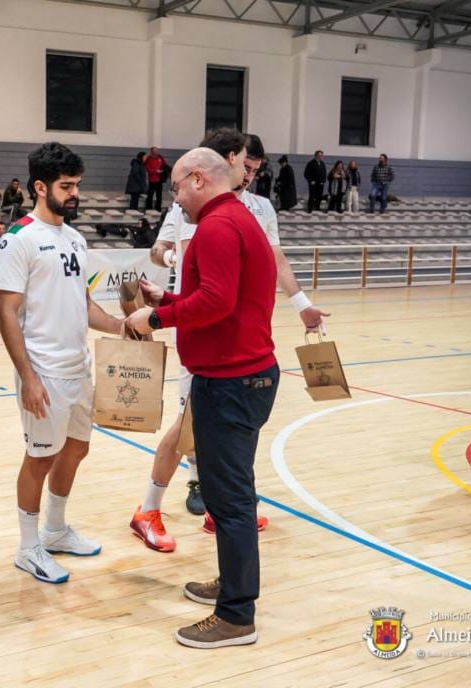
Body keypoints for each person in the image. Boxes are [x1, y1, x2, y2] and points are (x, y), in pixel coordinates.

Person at [138, 130, 327, 550]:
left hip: (228, 338)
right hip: (200, 329)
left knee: (215, 435)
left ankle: (219, 504)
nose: (250, 175)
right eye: (246, 165)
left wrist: (301, 303)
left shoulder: (255, 210)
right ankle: (170, 500)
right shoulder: (189, 204)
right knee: (190, 426)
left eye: (257, 170)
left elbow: (271, 263)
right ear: (225, 163)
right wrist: (175, 263)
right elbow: (160, 252)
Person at [125, 147, 278, 650]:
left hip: (232, 381)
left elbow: (217, 302)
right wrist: (167, 300)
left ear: (196, 179)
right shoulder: (234, 218)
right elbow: (220, 297)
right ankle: (233, 586)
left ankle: (236, 616)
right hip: (240, 377)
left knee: (230, 500)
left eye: (175, 188)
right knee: (229, 493)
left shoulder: (216, 226)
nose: (175, 198)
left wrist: (154, 318)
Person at [0, 142, 124, 586]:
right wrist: (28, 377)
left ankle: (54, 530)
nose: (74, 194)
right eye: (66, 187)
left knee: (76, 449)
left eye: (77, 186)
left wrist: (124, 328)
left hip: (78, 367)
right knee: (39, 458)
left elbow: (83, 304)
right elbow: (6, 312)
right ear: (40, 186)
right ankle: (28, 547)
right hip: (43, 372)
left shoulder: (76, 239)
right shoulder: (18, 239)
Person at [144, 146, 167, 210]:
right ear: (152, 152)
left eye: (157, 151)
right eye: (155, 151)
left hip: (159, 179)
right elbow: (148, 169)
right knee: (150, 195)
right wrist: (156, 171)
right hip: (152, 180)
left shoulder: (160, 157)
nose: (157, 152)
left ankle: (158, 208)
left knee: (159, 195)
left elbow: (164, 165)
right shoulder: (149, 159)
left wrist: (163, 170)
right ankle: (149, 208)